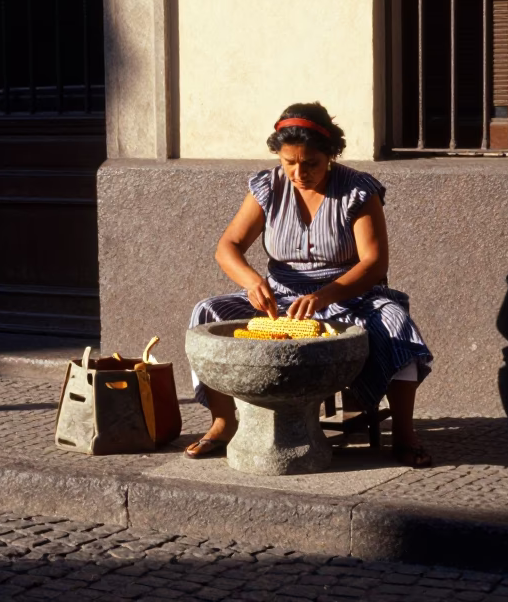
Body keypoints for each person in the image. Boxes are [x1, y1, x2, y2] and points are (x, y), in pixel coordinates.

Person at [185, 102, 435, 468]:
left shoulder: (358, 191)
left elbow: (374, 263)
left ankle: (404, 434)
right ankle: (222, 423)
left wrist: (326, 294)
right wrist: (253, 281)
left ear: (330, 154)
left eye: (310, 163)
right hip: (280, 297)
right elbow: (228, 247)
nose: (299, 172)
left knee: (396, 322)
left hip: (350, 296)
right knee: (207, 313)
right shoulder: (268, 186)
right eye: (289, 163)